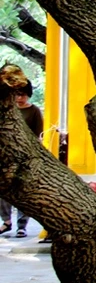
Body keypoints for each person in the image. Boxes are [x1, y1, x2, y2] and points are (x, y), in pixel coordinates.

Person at [2, 79, 42, 237]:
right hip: (6, 156)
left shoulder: (34, 111)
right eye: (17, 95)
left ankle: (22, 225)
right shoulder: (6, 110)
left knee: (23, 190)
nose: (20, 98)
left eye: (23, 95)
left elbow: (37, 135)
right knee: (4, 190)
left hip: (25, 156)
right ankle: (6, 221)